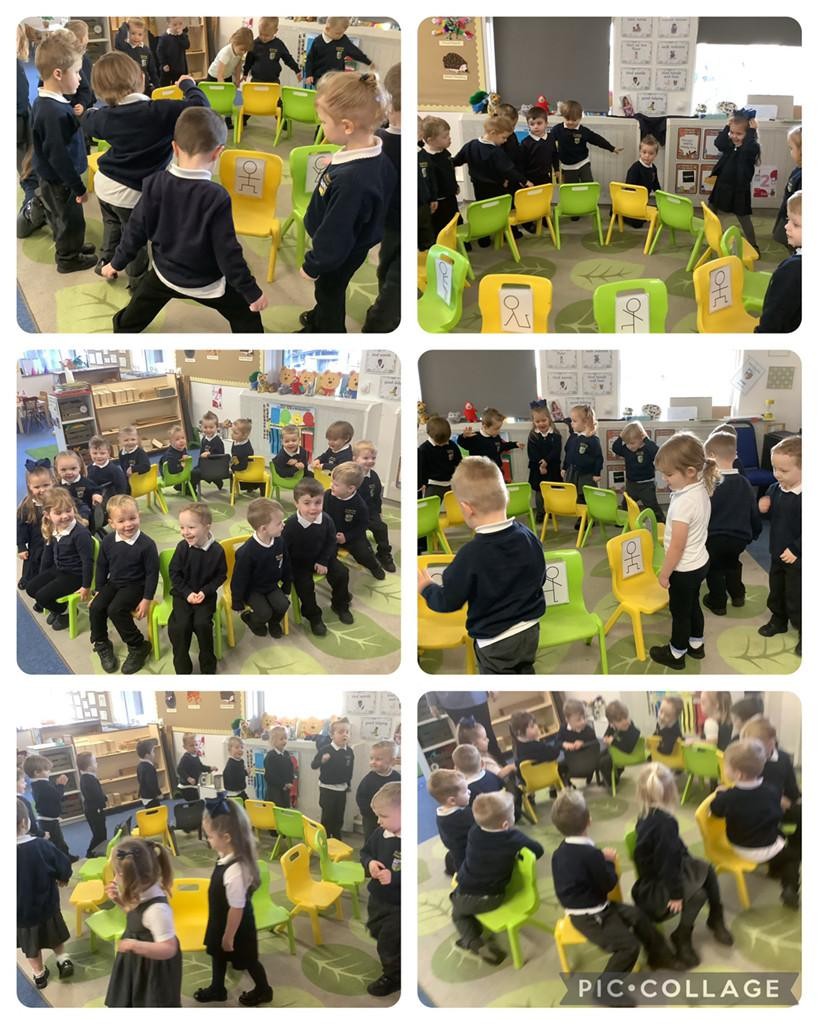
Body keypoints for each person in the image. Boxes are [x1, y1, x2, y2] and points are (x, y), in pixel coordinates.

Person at [101, 107, 268, 332]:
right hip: (206, 283)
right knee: (246, 315)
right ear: (218, 152)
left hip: (164, 275)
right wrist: (251, 292)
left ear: (174, 148)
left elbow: (135, 231)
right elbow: (228, 253)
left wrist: (116, 263)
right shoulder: (216, 197)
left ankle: (122, 330)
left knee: (138, 307)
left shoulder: (154, 183)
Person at [83, 50, 207, 288]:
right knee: (134, 239)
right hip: (131, 193)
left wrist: (91, 111)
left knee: (112, 225)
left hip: (104, 184)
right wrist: (189, 85)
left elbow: (88, 120)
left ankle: (105, 262)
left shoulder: (104, 117)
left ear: (100, 92)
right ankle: (137, 281)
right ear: (141, 78)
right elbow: (201, 109)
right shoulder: (162, 111)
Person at [551, 788, 678, 1007]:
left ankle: (659, 956)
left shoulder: (561, 852)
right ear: (589, 820)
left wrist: (599, 859)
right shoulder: (591, 855)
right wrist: (608, 862)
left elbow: (579, 869)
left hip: (596, 906)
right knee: (628, 947)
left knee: (638, 916)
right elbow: (609, 883)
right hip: (590, 916)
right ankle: (604, 989)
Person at [419, 457, 546, 673]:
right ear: (506, 497)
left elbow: (448, 601)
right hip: (530, 630)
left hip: (495, 641)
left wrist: (427, 588)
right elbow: (540, 577)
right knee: (524, 672)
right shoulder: (528, 535)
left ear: (466, 508)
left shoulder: (469, 555)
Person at [298, 72, 396, 333]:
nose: (321, 126)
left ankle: (327, 329)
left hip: (338, 254)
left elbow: (336, 234)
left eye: (323, 122)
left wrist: (313, 264)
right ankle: (319, 316)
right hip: (350, 246)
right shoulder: (372, 155)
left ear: (347, 127)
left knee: (328, 292)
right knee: (329, 291)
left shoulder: (353, 180)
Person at [631, 763, 733, 966]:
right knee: (698, 895)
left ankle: (715, 918)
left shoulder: (647, 813)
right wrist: (676, 894)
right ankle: (682, 936)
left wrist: (690, 862)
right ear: (671, 792)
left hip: (664, 871)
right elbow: (666, 864)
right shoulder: (665, 823)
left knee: (706, 868)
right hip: (655, 886)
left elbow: (673, 849)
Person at [194, 797, 273, 1005]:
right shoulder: (227, 854)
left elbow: (236, 908)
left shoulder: (235, 871)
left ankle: (264, 990)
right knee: (218, 954)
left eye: (210, 836)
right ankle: (217, 988)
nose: (208, 841)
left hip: (236, 926)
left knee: (248, 960)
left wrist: (228, 937)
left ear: (227, 837)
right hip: (221, 920)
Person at [649, 433, 718, 670]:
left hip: (683, 569)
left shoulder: (683, 503)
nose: (664, 479)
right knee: (693, 605)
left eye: (669, 475)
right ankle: (696, 645)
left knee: (680, 613)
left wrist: (665, 573)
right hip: (700, 563)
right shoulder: (701, 488)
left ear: (690, 471)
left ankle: (676, 654)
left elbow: (677, 547)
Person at [30, 30, 97, 273]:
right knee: (69, 220)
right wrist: (77, 187)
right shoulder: (52, 112)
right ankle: (68, 258)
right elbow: (58, 156)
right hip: (61, 181)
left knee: (65, 217)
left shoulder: (51, 102)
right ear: (58, 74)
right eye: (77, 72)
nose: (80, 79)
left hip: (58, 178)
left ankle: (72, 246)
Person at [451, 791, 544, 964]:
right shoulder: (513, 838)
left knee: (458, 913)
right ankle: (474, 941)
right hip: (492, 896)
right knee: (460, 909)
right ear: (506, 824)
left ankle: (473, 942)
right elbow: (538, 851)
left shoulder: (474, 832)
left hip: (472, 889)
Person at [711, 739, 800, 908]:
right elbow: (777, 815)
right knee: (793, 857)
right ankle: (789, 888)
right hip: (768, 846)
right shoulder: (772, 790)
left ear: (738, 774)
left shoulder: (728, 797)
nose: (723, 768)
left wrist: (719, 794)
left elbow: (716, 811)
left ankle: (775, 869)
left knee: (779, 838)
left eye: (726, 765)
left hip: (738, 846)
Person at [104, 838, 182, 1006]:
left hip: (154, 967)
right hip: (140, 960)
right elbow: (138, 917)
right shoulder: (143, 890)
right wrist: (119, 901)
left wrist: (134, 945)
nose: (115, 879)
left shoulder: (157, 910)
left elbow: (169, 948)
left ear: (127, 876)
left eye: (116, 873)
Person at [89, 494, 158, 674]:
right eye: (121, 521)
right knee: (96, 607)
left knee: (115, 610)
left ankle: (138, 645)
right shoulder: (108, 541)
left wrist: (147, 599)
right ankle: (102, 643)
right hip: (114, 582)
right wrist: (98, 590)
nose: (128, 524)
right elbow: (102, 566)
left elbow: (152, 574)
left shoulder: (147, 545)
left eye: (132, 518)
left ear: (139, 516)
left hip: (136, 585)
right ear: (112, 523)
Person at [282, 477, 353, 635]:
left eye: (318, 502)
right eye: (307, 503)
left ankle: (340, 605)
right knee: (305, 588)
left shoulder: (326, 520)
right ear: (296, 503)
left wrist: (323, 561)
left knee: (342, 573)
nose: (313, 508)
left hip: (323, 557)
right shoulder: (290, 525)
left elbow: (331, 542)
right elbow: (284, 550)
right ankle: (313, 616)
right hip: (300, 564)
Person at [701, 431, 761, 615]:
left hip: (714, 537)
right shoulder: (744, 482)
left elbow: (701, 512)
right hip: (739, 538)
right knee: (733, 564)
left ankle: (718, 602)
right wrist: (755, 531)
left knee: (715, 568)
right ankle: (738, 595)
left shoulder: (708, 483)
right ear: (735, 456)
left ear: (711, 456)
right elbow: (753, 510)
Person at [16, 798, 73, 991]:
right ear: (25, 822)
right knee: (55, 935)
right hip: (46, 905)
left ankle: (39, 975)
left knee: (31, 947)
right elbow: (62, 863)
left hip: (21, 914)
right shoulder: (41, 845)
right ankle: (63, 961)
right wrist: (63, 877)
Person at [168, 502, 227, 675]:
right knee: (180, 627)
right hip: (182, 595)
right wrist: (187, 593)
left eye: (191, 527)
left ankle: (208, 665)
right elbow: (174, 573)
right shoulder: (182, 547)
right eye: (182, 527)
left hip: (205, 596)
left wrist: (204, 592)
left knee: (202, 625)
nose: (185, 532)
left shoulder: (217, 550)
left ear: (207, 527)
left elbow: (220, 576)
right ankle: (182, 667)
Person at [363, 62, 401, 333]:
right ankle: (386, 312)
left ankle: (380, 319)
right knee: (389, 268)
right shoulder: (381, 139)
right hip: (393, 219)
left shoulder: (378, 141)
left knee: (392, 272)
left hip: (390, 219)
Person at [25, 487, 93, 633]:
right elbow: (47, 555)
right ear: (47, 515)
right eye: (58, 513)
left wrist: (86, 586)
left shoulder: (80, 534)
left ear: (73, 508)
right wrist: (42, 576)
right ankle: (57, 608)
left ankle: (66, 612)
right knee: (31, 588)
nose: (65, 516)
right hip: (59, 569)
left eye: (68, 510)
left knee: (42, 597)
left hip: (75, 575)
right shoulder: (54, 528)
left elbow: (88, 562)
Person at [757, 435, 801, 656]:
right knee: (776, 588)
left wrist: (797, 550)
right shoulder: (776, 488)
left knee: (797, 595)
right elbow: (770, 513)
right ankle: (778, 619)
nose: (777, 474)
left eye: (784, 470)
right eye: (775, 468)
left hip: (798, 558)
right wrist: (764, 506)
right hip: (776, 552)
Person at [360, 782, 401, 997]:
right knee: (375, 929)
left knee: (388, 943)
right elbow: (365, 853)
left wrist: (395, 877)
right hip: (377, 898)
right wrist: (370, 863)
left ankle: (393, 977)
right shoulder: (380, 834)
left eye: (383, 816)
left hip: (398, 905)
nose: (378, 821)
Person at [230, 497, 290, 638]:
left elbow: (286, 564)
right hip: (253, 589)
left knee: (283, 605)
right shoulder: (246, 553)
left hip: (271, 585)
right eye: (279, 523)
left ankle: (274, 622)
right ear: (264, 529)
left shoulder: (279, 541)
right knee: (264, 613)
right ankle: (252, 620)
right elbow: (239, 579)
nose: (283, 525)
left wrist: (287, 584)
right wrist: (237, 601)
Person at [452, 115, 530, 213]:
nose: (505, 141)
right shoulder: (496, 152)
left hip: (478, 189)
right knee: (498, 211)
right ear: (493, 133)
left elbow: (456, 161)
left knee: (485, 210)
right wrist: (525, 181)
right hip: (496, 189)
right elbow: (509, 170)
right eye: (504, 137)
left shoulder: (470, 145)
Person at [708, 107, 760, 248]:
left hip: (739, 189)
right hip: (722, 185)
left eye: (739, 134)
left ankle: (753, 245)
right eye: (732, 132)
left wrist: (751, 132)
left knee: (743, 217)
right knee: (711, 209)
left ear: (748, 133)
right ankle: (712, 237)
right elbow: (718, 143)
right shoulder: (730, 145)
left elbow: (747, 150)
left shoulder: (751, 147)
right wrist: (727, 127)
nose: (734, 136)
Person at [324, 462, 385, 579]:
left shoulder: (359, 505)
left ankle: (374, 566)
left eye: (335, 484)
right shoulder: (327, 495)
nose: (331, 486)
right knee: (323, 551)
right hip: (330, 533)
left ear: (350, 488)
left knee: (364, 554)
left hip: (352, 536)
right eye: (332, 482)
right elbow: (322, 514)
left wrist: (346, 537)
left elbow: (363, 525)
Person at [17, 23, 47, 239]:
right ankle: (29, 213)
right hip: (19, 120)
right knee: (29, 169)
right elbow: (20, 99)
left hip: (20, 117)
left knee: (26, 169)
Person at [756, 190, 801, 333]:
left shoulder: (792, 270)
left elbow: (772, 319)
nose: (787, 226)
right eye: (788, 220)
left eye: (796, 224)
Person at [549, 99, 622, 185]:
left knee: (588, 186)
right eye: (567, 119)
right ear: (563, 117)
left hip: (583, 163)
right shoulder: (557, 130)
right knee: (572, 189)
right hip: (567, 167)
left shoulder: (583, 131)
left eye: (574, 120)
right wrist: (556, 168)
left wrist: (612, 148)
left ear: (580, 118)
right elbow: (549, 145)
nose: (570, 122)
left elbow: (597, 139)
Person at [353, 440, 395, 573]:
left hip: (370, 512)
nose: (370, 461)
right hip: (354, 514)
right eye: (365, 458)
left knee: (381, 527)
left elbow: (376, 497)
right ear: (355, 459)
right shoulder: (351, 476)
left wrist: (378, 512)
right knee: (361, 543)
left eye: (373, 458)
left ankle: (383, 554)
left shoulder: (374, 476)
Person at [426, 691, 504, 763]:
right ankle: (475, 770)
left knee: (487, 737)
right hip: (451, 701)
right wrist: (431, 702)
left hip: (476, 696)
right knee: (467, 745)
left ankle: (500, 766)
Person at [25, 755, 76, 861]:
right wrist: (61, 785)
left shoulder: (38, 784)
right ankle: (64, 859)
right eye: (47, 770)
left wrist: (57, 786)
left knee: (58, 840)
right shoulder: (42, 785)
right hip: (48, 821)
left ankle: (65, 856)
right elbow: (57, 796)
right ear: (37, 772)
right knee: (57, 841)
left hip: (48, 819)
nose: (49, 772)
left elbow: (51, 796)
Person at [611, 420, 663, 522]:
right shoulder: (626, 449)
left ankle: (661, 522)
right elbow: (615, 448)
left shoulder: (647, 449)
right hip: (631, 484)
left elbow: (657, 452)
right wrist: (621, 437)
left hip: (647, 485)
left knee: (652, 506)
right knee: (626, 504)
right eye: (627, 443)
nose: (629, 446)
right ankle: (625, 521)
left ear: (641, 438)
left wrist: (646, 439)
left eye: (632, 443)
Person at [311, 719, 354, 839]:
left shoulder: (349, 751)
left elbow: (349, 769)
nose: (345, 734)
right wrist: (322, 760)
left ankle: (336, 837)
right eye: (341, 732)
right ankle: (325, 838)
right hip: (327, 788)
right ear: (332, 735)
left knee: (339, 815)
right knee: (327, 816)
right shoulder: (325, 750)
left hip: (342, 789)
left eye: (347, 732)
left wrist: (348, 784)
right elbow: (313, 765)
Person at [427, 769, 473, 875]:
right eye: (465, 791)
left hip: (455, 851)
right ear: (452, 800)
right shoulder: (463, 816)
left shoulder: (441, 814)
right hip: (468, 856)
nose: (469, 792)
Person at [17, 463, 54, 591]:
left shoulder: (58, 500)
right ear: (29, 486)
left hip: (53, 542)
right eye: (37, 487)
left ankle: (45, 586)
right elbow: (20, 528)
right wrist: (21, 546)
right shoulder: (27, 505)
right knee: (32, 563)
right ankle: (27, 579)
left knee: (49, 565)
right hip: (35, 543)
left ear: (53, 482)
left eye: (46, 485)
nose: (42, 490)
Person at [562, 404, 602, 524]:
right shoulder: (573, 437)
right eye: (571, 421)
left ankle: (587, 519)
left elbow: (598, 458)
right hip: (573, 472)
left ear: (585, 423)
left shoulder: (592, 440)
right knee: (577, 496)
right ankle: (582, 517)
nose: (572, 424)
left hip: (587, 474)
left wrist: (597, 473)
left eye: (574, 421)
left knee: (585, 496)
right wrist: (564, 467)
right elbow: (568, 453)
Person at [206, 26, 253, 129]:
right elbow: (219, 74)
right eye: (242, 49)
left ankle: (228, 120)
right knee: (214, 100)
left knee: (229, 99)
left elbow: (238, 67)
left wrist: (237, 80)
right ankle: (211, 120)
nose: (243, 52)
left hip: (226, 76)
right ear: (234, 42)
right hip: (214, 76)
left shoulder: (240, 53)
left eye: (245, 51)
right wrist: (224, 89)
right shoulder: (226, 53)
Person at [304, 17, 373, 85]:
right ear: (327, 29)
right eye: (338, 33)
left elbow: (355, 52)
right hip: (320, 78)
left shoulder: (343, 40)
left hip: (337, 78)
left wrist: (368, 62)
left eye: (342, 33)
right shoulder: (318, 41)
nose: (340, 35)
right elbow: (310, 59)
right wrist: (309, 75)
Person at [420, 116, 459, 236]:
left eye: (448, 135)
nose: (449, 138)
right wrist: (433, 198)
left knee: (456, 221)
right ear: (430, 140)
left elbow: (450, 171)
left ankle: (458, 241)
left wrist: (455, 185)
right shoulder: (426, 158)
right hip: (438, 202)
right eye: (445, 137)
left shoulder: (445, 152)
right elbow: (428, 181)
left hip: (450, 196)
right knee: (441, 226)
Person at [356, 740, 401, 839]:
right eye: (371, 758)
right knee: (372, 839)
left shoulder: (397, 778)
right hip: (371, 820)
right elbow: (361, 798)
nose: (373, 762)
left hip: (392, 820)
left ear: (392, 761)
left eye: (378, 759)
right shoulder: (368, 780)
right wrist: (374, 815)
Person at [527, 401, 562, 523]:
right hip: (537, 468)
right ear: (533, 422)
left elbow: (556, 451)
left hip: (552, 467)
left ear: (549, 419)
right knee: (539, 491)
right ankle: (540, 512)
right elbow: (532, 453)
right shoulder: (533, 435)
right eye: (537, 421)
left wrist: (546, 461)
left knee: (552, 490)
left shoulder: (555, 435)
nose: (541, 424)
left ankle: (551, 510)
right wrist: (540, 464)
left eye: (543, 420)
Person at [457, 407, 524, 469]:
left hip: (496, 470)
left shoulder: (496, 436)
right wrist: (463, 436)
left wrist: (515, 444)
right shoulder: (474, 437)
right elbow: (461, 443)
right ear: (485, 426)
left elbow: (503, 446)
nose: (498, 431)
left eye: (499, 428)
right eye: (496, 429)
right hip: (480, 473)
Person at [598, 700, 641, 790]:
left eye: (626, 717)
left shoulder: (633, 730)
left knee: (604, 761)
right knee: (599, 757)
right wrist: (606, 738)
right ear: (612, 723)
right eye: (619, 720)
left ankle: (613, 779)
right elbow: (607, 734)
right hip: (616, 751)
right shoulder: (613, 727)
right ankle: (610, 777)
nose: (625, 721)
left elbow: (628, 749)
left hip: (627, 754)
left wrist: (612, 742)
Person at [87, 436, 129, 528]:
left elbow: (122, 487)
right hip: (93, 498)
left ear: (108, 453)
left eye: (102, 453)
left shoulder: (114, 470)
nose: (98, 456)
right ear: (90, 453)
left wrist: (119, 503)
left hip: (109, 500)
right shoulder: (89, 469)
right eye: (95, 453)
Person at [243, 17, 300, 84]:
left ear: (275, 31)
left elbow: (288, 58)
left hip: (273, 81)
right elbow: (249, 60)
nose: (263, 37)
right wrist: (245, 73)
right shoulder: (255, 43)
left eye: (267, 35)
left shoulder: (278, 44)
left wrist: (297, 70)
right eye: (260, 34)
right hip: (256, 80)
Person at [418, 416, 462, 500]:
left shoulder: (451, 445)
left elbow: (458, 462)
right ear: (429, 434)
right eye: (439, 442)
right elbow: (422, 469)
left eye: (445, 441)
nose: (443, 444)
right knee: (431, 506)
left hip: (451, 483)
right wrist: (422, 484)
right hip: (433, 485)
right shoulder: (423, 449)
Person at [772, 126, 801, 247]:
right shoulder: (798, 169)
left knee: (791, 243)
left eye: (791, 148)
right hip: (787, 214)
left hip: (795, 219)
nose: (790, 152)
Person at [54, 448, 101, 521]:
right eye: (63, 470)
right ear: (57, 470)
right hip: (66, 519)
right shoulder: (57, 488)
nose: (69, 472)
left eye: (73, 468)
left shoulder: (86, 482)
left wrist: (96, 495)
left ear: (79, 467)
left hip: (87, 518)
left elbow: (97, 489)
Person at [115, 17, 159, 95]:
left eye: (140, 34)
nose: (136, 37)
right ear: (128, 32)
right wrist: (125, 25)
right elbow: (118, 40)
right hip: (127, 88)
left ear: (143, 35)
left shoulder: (146, 50)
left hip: (144, 88)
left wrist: (158, 87)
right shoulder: (124, 47)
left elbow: (152, 71)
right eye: (133, 33)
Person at [624, 134, 661, 224]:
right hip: (633, 201)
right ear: (640, 152)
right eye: (644, 152)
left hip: (644, 202)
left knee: (651, 217)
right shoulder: (635, 168)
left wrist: (661, 199)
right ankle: (621, 213)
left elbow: (656, 185)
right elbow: (629, 188)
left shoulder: (653, 168)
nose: (647, 156)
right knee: (638, 223)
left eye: (651, 153)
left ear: (655, 155)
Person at [77, 751, 107, 858]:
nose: (97, 764)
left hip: (94, 809)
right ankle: (90, 852)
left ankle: (99, 851)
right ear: (89, 767)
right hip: (94, 810)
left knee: (101, 832)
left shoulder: (88, 777)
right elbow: (95, 795)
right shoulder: (88, 779)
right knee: (99, 834)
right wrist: (103, 800)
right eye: (95, 762)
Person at [520, 105, 557, 193]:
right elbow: (521, 163)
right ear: (528, 125)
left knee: (546, 197)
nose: (536, 126)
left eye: (539, 123)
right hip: (530, 180)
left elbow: (554, 155)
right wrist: (523, 179)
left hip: (546, 178)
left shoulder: (551, 138)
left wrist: (557, 169)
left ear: (546, 123)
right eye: (532, 124)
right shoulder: (525, 143)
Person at [191, 410, 227, 496]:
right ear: (201, 427)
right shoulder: (204, 439)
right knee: (192, 470)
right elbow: (201, 453)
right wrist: (201, 456)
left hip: (214, 466)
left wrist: (209, 455)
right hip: (205, 464)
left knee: (195, 473)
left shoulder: (218, 441)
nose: (208, 430)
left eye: (211, 427)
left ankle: (191, 489)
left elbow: (221, 457)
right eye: (205, 427)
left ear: (216, 427)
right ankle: (187, 486)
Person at [264, 725, 295, 807]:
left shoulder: (286, 754)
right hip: (274, 791)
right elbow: (270, 775)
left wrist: (290, 781)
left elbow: (290, 769)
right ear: (274, 741)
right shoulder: (271, 756)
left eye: (285, 738)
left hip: (285, 789)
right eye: (281, 739)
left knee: (285, 808)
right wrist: (282, 784)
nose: (284, 741)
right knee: (276, 809)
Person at [177, 733, 213, 802]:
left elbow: (201, 767)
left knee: (198, 800)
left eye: (196, 745)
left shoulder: (195, 756)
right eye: (191, 745)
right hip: (187, 787)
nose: (194, 747)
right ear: (185, 747)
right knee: (195, 802)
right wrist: (188, 778)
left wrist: (210, 768)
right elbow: (179, 769)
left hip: (194, 785)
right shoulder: (186, 758)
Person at [156, 17, 189, 86]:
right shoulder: (164, 37)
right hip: (167, 67)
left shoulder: (183, 35)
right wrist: (164, 63)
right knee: (165, 85)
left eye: (180, 24)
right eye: (175, 25)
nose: (178, 27)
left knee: (180, 85)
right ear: (168, 24)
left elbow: (187, 46)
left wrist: (181, 36)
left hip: (180, 67)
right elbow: (159, 51)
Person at [136, 738, 161, 808]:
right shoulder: (149, 767)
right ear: (147, 755)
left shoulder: (140, 766)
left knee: (149, 811)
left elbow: (139, 780)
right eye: (153, 751)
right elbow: (151, 783)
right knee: (156, 811)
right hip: (151, 797)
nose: (154, 754)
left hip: (145, 796)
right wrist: (158, 793)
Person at [223, 737, 249, 801]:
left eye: (241, 747)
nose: (240, 750)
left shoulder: (240, 761)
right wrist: (245, 773)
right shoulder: (231, 764)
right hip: (233, 795)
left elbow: (240, 773)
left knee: (248, 804)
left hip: (240, 792)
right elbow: (233, 776)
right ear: (229, 750)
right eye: (237, 747)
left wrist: (246, 772)